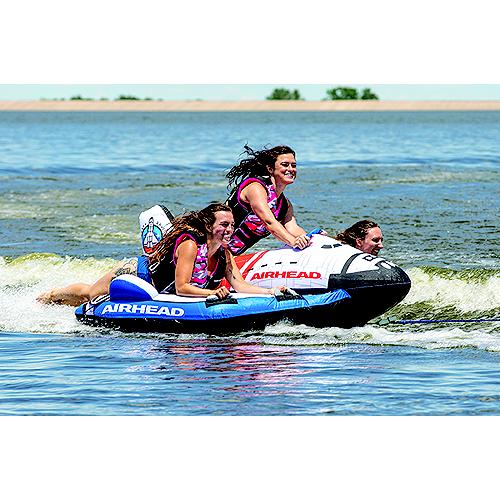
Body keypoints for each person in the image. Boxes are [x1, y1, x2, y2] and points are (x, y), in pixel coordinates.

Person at [37, 203, 286, 306]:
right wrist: (212, 293)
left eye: (232, 225)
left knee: (89, 296)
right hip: (138, 273)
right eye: (224, 225)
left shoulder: (225, 254)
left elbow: (239, 285)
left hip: (158, 289)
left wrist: (272, 291)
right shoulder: (190, 245)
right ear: (209, 226)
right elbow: (182, 287)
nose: (230, 229)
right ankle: (51, 295)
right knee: (90, 295)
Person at [225, 144, 310, 255]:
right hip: (207, 250)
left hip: (230, 256)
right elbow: (269, 222)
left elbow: (293, 228)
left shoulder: (285, 205)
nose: (290, 169)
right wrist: (293, 242)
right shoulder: (255, 188)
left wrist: (312, 239)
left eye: (293, 165)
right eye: (285, 165)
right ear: (270, 168)